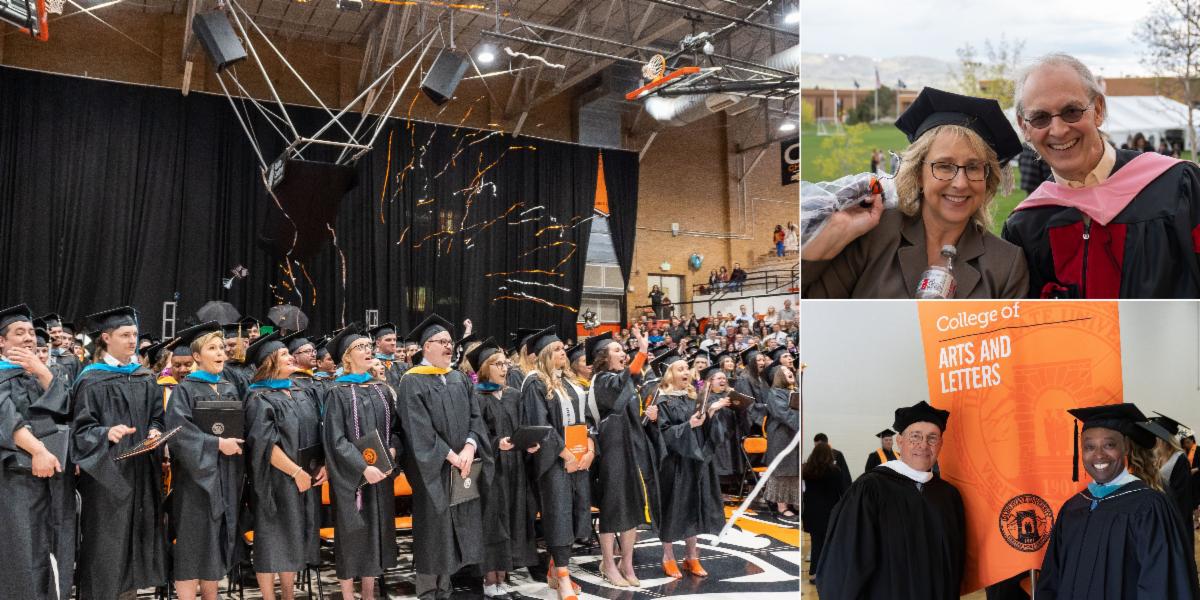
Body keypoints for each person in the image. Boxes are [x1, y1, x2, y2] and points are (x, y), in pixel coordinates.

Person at [1002, 53, 1200, 298]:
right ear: (1024, 127)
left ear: (1097, 110)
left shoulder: (1176, 186)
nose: (1059, 130)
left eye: (1071, 111)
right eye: (1040, 117)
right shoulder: (1025, 226)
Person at [803, 87, 1030, 298]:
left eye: (973, 167)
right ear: (918, 173)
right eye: (944, 166)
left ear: (987, 178)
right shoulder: (874, 236)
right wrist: (827, 239)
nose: (960, 183)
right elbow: (812, 316)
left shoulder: (1006, 265)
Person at [1036, 403, 1200, 598]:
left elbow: (1161, 585)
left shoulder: (1149, 507)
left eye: (1109, 445)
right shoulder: (1072, 508)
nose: (1098, 454)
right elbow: (1052, 580)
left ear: (1125, 448)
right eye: (1089, 447)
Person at [815, 400, 965, 598]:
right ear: (899, 442)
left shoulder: (948, 495)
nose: (923, 445)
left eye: (932, 438)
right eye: (915, 436)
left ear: (941, 445)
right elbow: (845, 565)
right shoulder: (870, 489)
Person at [71, 306, 168, 600]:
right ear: (106, 337)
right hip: (106, 479)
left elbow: (157, 418)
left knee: (135, 545)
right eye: (125, 335)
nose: (132, 341)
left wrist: (155, 432)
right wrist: (105, 433)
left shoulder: (145, 377)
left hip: (142, 475)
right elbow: (79, 431)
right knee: (106, 548)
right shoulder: (91, 380)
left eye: (135, 335)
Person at [395, 314, 489, 600]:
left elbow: (476, 416)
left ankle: (445, 590)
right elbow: (417, 429)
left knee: (455, 525)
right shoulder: (411, 382)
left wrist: (470, 448)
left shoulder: (459, 378)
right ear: (426, 347)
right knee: (434, 528)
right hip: (433, 470)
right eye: (443, 342)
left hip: (462, 465)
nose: (449, 347)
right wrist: (451, 455)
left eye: (450, 342)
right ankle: (427, 591)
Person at [163, 321, 245, 600]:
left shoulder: (229, 387)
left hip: (225, 478)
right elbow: (178, 434)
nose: (221, 352)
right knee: (191, 546)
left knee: (213, 546)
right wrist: (217, 444)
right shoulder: (185, 390)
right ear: (197, 356)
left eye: (222, 347)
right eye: (212, 348)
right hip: (195, 482)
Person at [244, 329, 325, 600]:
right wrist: (296, 472)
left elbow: (316, 433)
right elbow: (264, 445)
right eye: (284, 355)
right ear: (269, 362)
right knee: (270, 540)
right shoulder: (259, 397)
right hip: (275, 481)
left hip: (303, 478)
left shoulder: (300, 393)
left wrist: (321, 464)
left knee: (292, 538)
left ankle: (288, 595)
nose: (291, 358)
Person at [321, 325, 401, 600]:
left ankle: (369, 593)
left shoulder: (380, 389)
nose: (368, 351)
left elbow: (397, 430)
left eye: (369, 346)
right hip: (352, 479)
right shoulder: (337, 392)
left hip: (381, 476)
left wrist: (392, 448)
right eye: (361, 347)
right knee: (352, 537)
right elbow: (335, 439)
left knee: (376, 534)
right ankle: (347, 595)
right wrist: (363, 466)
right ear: (347, 355)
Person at [0, 305, 71, 598]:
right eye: (19, 332)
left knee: (44, 549)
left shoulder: (34, 373)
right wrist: (39, 451)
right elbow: (5, 418)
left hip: (47, 477)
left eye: (31, 332)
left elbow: (64, 407)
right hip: (12, 479)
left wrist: (41, 369)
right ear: (1, 341)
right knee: (19, 553)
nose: (28, 337)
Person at [521, 328, 595, 596]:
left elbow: (587, 419)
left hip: (579, 460)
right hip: (554, 464)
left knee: (576, 515)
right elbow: (540, 425)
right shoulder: (534, 383)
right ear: (543, 355)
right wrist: (567, 455)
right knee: (559, 516)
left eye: (564, 348)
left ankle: (556, 569)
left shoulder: (571, 382)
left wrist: (590, 448)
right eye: (556, 349)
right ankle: (563, 577)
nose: (563, 351)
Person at [588, 328, 662, 589]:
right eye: (617, 350)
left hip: (631, 450)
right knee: (613, 509)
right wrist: (641, 353)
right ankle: (608, 563)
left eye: (623, 350)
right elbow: (618, 389)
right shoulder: (601, 381)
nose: (623, 353)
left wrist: (647, 417)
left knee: (631, 508)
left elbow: (630, 418)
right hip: (611, 453)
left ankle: (626, 563)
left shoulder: (624, 382)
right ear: (603, 358)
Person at [648, 352, 730, 579]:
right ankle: (668, 556)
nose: (686, 372)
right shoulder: (661, 400)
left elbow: (705, 431)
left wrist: (710, 414)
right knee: (674, 508)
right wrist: (688, 425)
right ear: (669, 374)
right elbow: (661, 434)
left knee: (694, 506)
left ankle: (692, 556)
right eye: (680, 369)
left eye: (687, 368)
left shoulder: (694, 397)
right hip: (674, 464)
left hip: (695, 461)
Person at [467, 339, 538, 599]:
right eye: (497, 364)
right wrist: (499, 443)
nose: (504, 368)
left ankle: (503, 575)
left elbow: (520, 427)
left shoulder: (513, 395)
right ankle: (489, 579)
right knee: (492, 521)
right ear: (485, 368)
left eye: (505, 363)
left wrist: (527, 443)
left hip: (514, 467)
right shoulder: (477, 395)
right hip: (490, 469)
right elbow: (475, 432)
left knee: (511, 517)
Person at [802, 442, 848, 585]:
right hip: (830, 513)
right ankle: (828, 573)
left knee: (816, 543)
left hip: (812, 513)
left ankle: (814, 573)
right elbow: (843, 492)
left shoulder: (807, 471)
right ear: (829, 455)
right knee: (830, 544)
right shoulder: (835, 471)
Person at [764, 364, 799, 518]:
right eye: (784, 371)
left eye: (789, 370)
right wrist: (800, 424)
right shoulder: (775, 393)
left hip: (796, 436)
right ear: (778, 376)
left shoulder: (796, 391)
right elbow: (782, 413)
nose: (789, 372)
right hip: (782, 435)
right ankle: (782, 505)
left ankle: (796, 502)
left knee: (796, 471)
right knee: (782, 471)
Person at [369, 322, 408, 390]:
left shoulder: (404, 366)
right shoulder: (371, 365)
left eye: (394, 340)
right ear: (378, 343)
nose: (393, 343)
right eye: (388, 340)